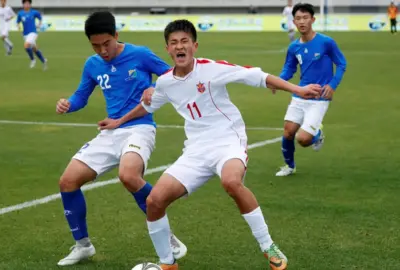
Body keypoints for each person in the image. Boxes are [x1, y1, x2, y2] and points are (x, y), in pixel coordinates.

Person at [98, 19, 322, 270]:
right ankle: (167, 264)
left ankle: (268, 245)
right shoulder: (164, 82)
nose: (179, 46)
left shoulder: (211, 68)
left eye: (184, 41)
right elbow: (147, 106)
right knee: (154, 201)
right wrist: (119, 121)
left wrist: (298, 90)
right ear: (167, 50)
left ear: (195, 45)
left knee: (231, 182)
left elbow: (258, 77)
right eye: (173, 43)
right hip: (195, 150)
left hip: (228, 140)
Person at [54, 11, 187, 267]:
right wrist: (68, 104)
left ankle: (169, 238)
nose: (102, 50)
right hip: (109, 131)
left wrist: (154, 87)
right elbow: (81, 96)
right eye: (96, 45)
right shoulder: (92, 64)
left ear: (116, 35)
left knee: (128, 176)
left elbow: (174, 75)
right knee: (68, 181)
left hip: (140, 128)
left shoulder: (140, 54)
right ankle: (83, 246)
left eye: (107, 43)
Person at [275, 3, 347, 177]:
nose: (302, 22)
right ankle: (289, 166)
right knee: (288, 132)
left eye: (305, 18)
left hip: (319, 98)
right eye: (298, 18)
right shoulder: (294, 47)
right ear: (294, 21)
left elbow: (342, 64)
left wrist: (332, 85)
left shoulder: (326, 42)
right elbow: (289, 69)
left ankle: (317, 134)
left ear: (312, 20)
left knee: (303, 139)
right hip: (300, 94)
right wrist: (278, 81)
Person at [16, 0, 47, 69]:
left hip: (33, 33)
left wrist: (39, 24)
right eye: (25, 3)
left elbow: (40, 18)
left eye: (28, 3)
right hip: (25, 34)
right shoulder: (20, 14)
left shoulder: (34, 12)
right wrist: (18, 27)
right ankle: (44, 61)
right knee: (34, 49)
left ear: (30, 5)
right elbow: (18, 22)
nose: (27, 5)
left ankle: (33, 60)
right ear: (23, 5)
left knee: (26, 46)